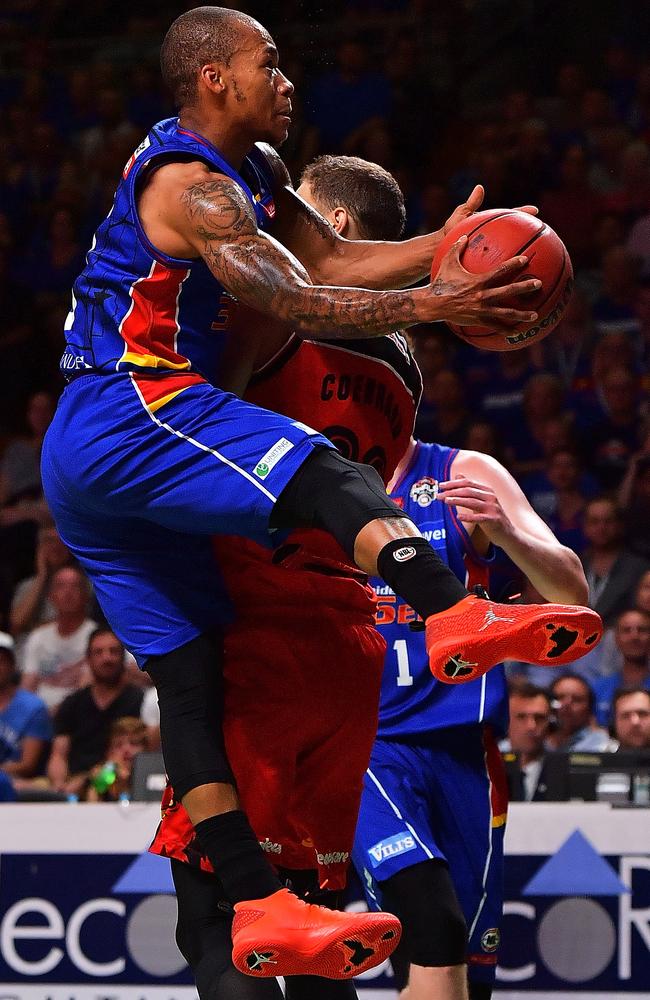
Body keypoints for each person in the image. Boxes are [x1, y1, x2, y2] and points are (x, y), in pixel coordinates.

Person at [41, 6, 600, 981]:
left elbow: (324, 268)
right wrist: (436, 287)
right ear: (213, 78)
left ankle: (257, 891)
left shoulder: (256, 188)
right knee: (317, 472)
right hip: (132, 407)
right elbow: (297, 290)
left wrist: (442, 251)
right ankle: (451, 609)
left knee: (190, 687)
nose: (289, 80)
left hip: (216, 565)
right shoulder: (195, 186)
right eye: (272, 63)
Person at [352, 433, 590, 1000]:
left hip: (466, 753)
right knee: (426, 925)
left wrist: (506, 534)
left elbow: (574, 594)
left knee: (468, 973)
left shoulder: (465, 471)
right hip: (367, 750)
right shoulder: (312, 477)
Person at [47, 628, 144, 798]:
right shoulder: (72, 703)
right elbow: (58, 754)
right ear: (88, 659)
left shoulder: (140, 700)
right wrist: (60, 785)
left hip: (119, 779)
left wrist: (90, 780)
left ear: (123, 657)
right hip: (73, 784)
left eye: (113, 651)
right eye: (98, 652)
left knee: (103, 780)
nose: (106, 658)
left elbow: (146, 750)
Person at [20, 564, 97, 710]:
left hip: (78, 712)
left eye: (75, 586)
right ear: (51, 596)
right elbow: (27, 686)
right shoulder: (38, 636)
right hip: (38, 715)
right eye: (61, 586)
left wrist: (58, 713)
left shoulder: (96, 637)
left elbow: (85, 690)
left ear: (86, 595)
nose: (68, 592)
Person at [0, 642, 52, 794]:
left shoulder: (33, 706)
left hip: (17, 784)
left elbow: (28, 765)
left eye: (1, 661)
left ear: (12, 666)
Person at [592, 608, 650, 725]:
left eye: (642, 630)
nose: (634, 636)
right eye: (626, 630)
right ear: (616, 638)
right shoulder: (598, 688)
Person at [501, 683, 554, 802]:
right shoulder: (485, 769)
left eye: (539, 718)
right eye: (521, 717)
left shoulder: (561, 770)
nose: (532, 726)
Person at [83, 716, 148, 802]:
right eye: (118, 745)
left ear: (146, 748)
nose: (126, 750)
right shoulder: (106, 774)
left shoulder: (155, 775)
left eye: (134, 743)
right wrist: (103, 779)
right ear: (109, 752)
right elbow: (91, 808)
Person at [546, 673, 615, 751]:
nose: (567, 704)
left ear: (589, 708)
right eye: (560, 697)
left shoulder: (603, 745)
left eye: (577, 699)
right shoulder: (539, 741)